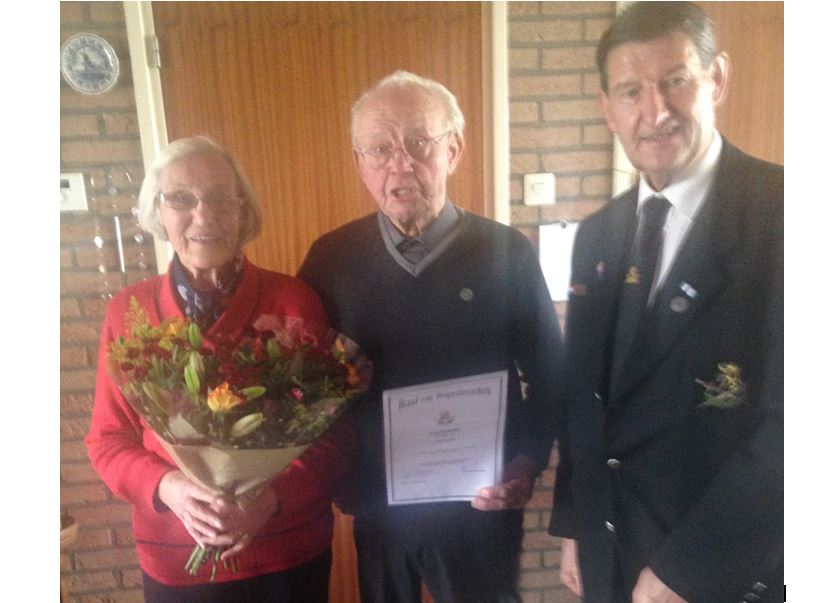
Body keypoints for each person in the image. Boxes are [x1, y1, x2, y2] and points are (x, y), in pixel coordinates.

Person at [298, 70, 563, 603]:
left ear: (453, 149)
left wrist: (525, 463)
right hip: (379, 513)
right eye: (378, 148)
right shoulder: (329, 260)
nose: (400, 164)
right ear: (359, 164)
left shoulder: (506, 253)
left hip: (480, 514)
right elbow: (303, 390)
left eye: (418, 143)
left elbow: (551, 379)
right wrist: (339, 479)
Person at [548, 3, 783, 602]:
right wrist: (574, 521)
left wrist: (693, 568)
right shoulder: (597, 233)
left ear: (717, 79)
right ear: (607, 109)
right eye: (630, 91)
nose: (654, 112)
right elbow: (586, 393)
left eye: (675, 81)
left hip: (724, 568)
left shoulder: (791, 215)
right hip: (611, 554)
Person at [86, 136, 351, 602]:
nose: (203, 215)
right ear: (158, 213)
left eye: (220, 198)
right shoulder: (129, 313)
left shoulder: (294, 301)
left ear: (243, 212)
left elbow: (333, 436)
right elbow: (108, 441)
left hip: (286, 553)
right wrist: (168, 487)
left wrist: (266, 501)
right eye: (182, 199)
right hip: (176, 560)